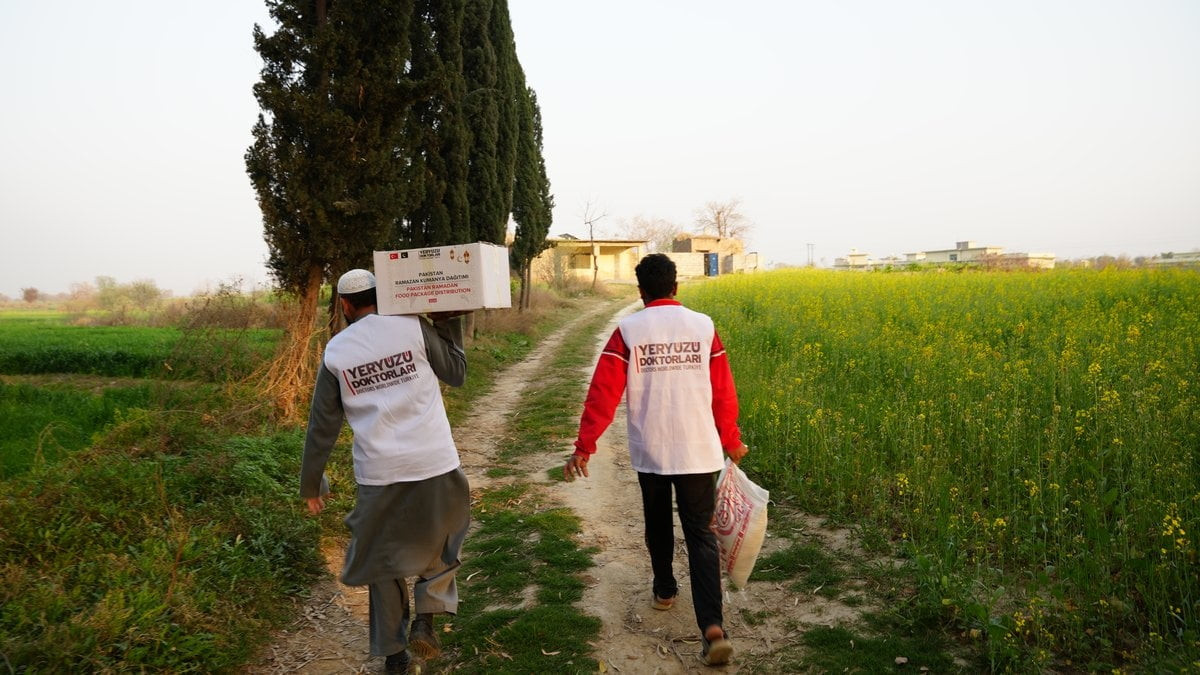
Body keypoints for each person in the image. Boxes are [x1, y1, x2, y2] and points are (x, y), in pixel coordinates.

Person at [563, 253, 749, 667]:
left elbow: (603, 393)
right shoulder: (703, 326)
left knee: (659, 522)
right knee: (701, 535)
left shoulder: (629, 330)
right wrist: (731, 440)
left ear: (641, 291)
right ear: (675, 287)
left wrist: (585, 445)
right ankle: (713, 628)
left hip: (652, 451)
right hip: (699, 450)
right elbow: (723, 390)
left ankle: (665, 590)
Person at [301, 268, 470, 675]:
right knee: (442, 541)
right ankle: (426, 617)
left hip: (379, 473)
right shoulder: (411, 326)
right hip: (434, 462)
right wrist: (448, 324)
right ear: (384, 295)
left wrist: (312, 482)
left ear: (345, 305)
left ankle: (395, 655)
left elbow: (322, 425)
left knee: (383, 563)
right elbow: (456, 373)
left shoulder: (337, 352)